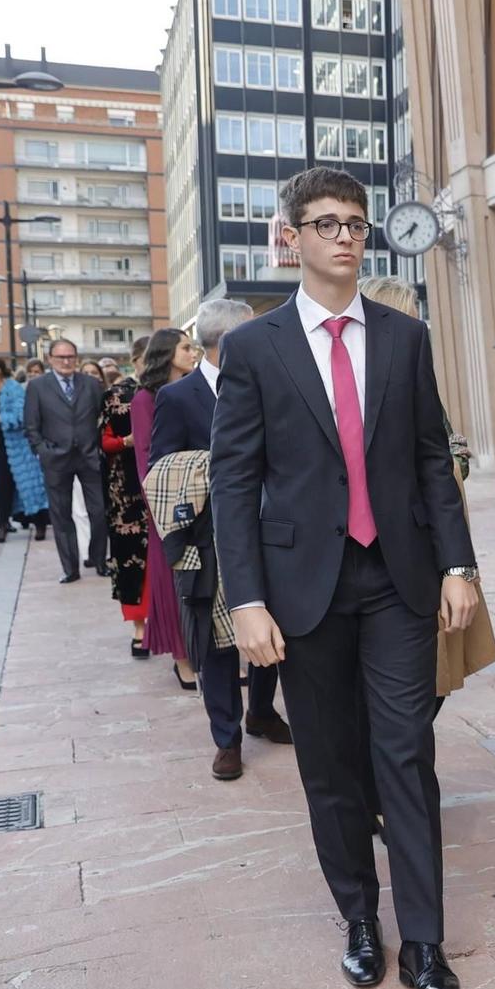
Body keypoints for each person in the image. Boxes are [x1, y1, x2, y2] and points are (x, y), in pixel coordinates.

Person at [212, 167, 478, 989]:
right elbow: (233, 479)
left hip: (396, 577)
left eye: (356, 224)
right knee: (328, 762)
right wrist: (245, 601)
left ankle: (426, 941)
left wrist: (459, 563)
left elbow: (433, 458)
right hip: (300, 589)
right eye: (326, 223)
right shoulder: (256, 348)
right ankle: (361, 919)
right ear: (291, 237)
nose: (345, 237)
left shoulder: (406, 338)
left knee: (406, 750)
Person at [150, 302, 290, 778]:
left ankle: (262, 711)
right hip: (208, 541)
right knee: (217, 644)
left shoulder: (272, 385)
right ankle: (226, 737)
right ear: (227, 342)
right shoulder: (178, 397)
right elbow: (160, 470)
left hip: (272, 530)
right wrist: (221, 468)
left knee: (273, 624)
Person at [361, 275, 495, 713]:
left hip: (434, 552)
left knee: (426, 684)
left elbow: (441, 450)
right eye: (412, 321)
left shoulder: (412, 376)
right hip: (393, 556)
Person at [132, 330, 201, 687]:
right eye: (186, 347)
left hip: (202, 500)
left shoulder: (194, 388)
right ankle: (182, 659)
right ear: (166, 353)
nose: (193, 353)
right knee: (172, 583)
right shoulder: (144, 399)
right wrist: (164, 509)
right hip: (167, 506)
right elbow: (147, 459)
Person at [25, 340, 109, 585]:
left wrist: (99, 448)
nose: (66, 361)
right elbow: (31, 425)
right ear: (50, 359)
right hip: (56, 458)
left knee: (100, 512)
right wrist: (42, 451)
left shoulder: (91, 384)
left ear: (77, 357)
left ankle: (99, 560)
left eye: (70, 356)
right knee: (61, 515)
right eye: (60, 357)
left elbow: (102, 419)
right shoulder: (38, 387)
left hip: (89, 456)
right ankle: (70, 568)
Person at [100, 336, 150, 658]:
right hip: (126, 488)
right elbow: (103, 442)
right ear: (135, 360)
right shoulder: (116, 395)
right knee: (132, 558)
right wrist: (128, 442)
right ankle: (139, 628)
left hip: (165, 483)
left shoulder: (173, 390)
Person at [0, 356, 48, 542]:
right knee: (3, 486)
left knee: (29, 486)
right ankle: (2, 524)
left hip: (20, 447)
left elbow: (20, 416)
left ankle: (39, 523)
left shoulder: (13, 389)